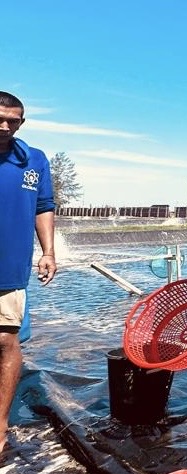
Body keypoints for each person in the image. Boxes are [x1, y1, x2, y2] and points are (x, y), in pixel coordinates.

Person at [0, 91, 57, 454]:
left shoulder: (33, 161)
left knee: (5, 342)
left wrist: (48, 252)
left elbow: (44, 206)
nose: (5, 126)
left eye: (13, 120)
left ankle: (1, 423)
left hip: (9, 270)